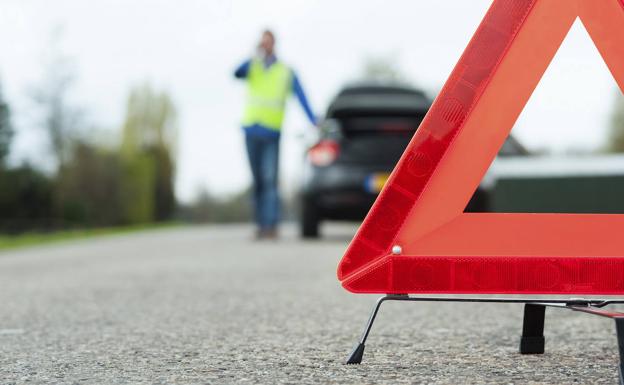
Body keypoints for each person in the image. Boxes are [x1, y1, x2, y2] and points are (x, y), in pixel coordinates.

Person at [234, 29, 317, 239]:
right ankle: (261, 225)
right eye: (262, 43)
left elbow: (301, 96)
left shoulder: (285, 71)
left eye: (268, 42)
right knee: (258, 181)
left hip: (271, 133)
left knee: (270, 179)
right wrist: (254, 55)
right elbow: (236, 73)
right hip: (251, 130)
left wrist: (314, 120)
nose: (265, 46)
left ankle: (271, 226)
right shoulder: (253, 66)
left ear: (275, 44)